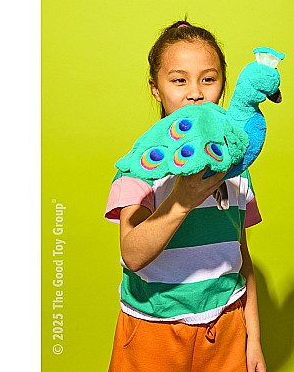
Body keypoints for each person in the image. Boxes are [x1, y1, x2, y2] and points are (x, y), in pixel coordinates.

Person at [105, 19, 267, 372]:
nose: (195, 93)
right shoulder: (140, 169)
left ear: (223, 86)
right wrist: (182, 201)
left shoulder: (236, 171)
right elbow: (132, 254)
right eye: (179, 80)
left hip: (226, 327)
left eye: (208, 79)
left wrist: (253, 339)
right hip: (153, 330)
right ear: (156, 89)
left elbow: (241, 257)